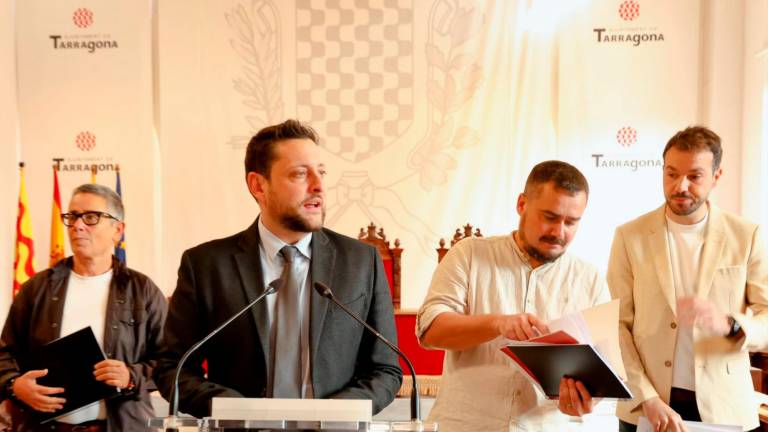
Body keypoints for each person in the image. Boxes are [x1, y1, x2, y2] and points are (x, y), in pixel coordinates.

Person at [153, 119, 402, 418]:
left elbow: (385, 369)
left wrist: (333, 415)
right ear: (258, 185)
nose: (318, 185)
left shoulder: (361, 261)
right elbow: (173, 368)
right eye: (300, 174)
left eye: (321, 172)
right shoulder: (206, 265)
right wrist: (238, 411)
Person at [417, 160, 610, 431]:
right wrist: (498, 324)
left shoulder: (590, 280)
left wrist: (583, 401)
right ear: (522, 204)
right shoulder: (469, 254)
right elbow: (430, 331)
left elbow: (601, 377)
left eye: (571, 222)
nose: (559, 232)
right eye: (550, 217)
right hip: (465, 425)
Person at [608, 126, 768, 432]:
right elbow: (616, 326)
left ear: (716, 176)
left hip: (725, 409)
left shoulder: (748, 236)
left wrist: (731, 325)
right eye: (671, 173)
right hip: (645, 408)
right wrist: (647, 398)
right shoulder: (629, 236)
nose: (680, 185)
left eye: (694, 176)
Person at [0, 183, 167, 432]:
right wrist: (15, 385)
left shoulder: (142, 291)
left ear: (118, 230)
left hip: (124, 426)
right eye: (72, 216)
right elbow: (5, 354)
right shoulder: (37, 289)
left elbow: (171, 361)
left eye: (91, 217)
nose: (78, 225)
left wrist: (131, 376)